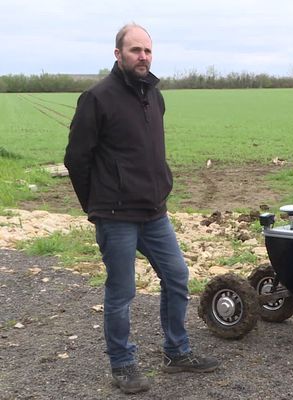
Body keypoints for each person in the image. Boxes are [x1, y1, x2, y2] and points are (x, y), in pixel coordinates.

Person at [64, 23, 219, 394]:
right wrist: (96, 205)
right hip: (115, 215)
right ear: (118, 55)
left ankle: (176, 352)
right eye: (135, 50)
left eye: (147, 50)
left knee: (177, 277)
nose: (143, 57)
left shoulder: (154, 95)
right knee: (122, 292)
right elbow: (76, 159)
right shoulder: (97, 98)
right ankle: (122, 364)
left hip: (153, 212)